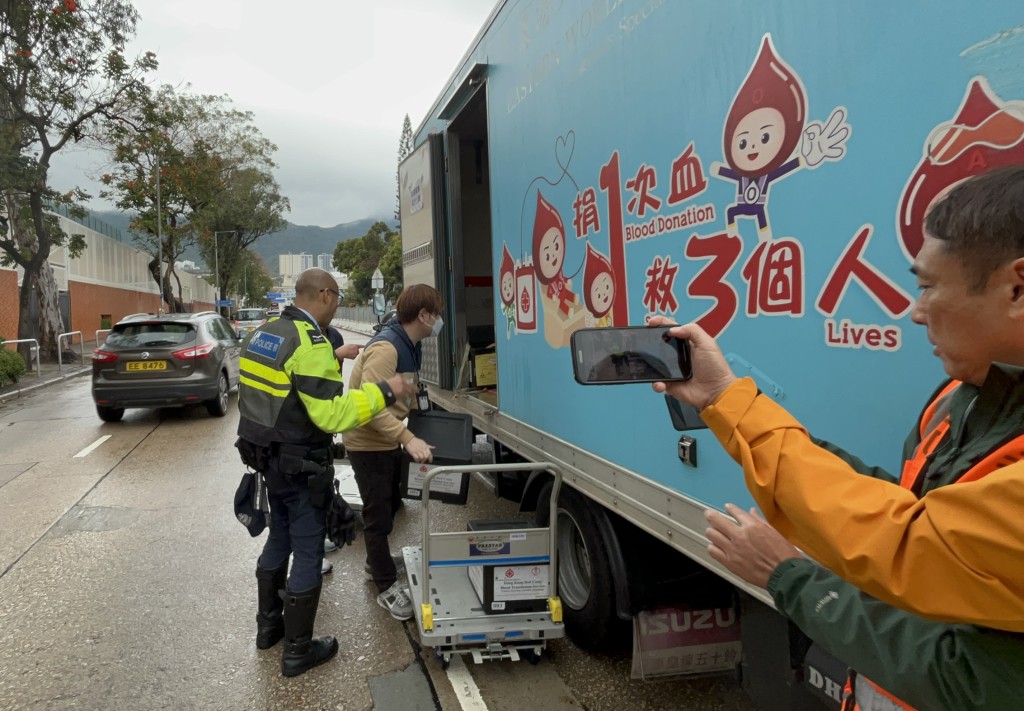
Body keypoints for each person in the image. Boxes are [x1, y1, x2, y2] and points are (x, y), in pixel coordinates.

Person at [650, 165, 1024, 708]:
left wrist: (790, 577)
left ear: (1017, 287)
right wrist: (724, 399)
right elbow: (902, 507)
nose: (914, 312)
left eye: (926, 286)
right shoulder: (963, 398)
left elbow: (910, 545)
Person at [236, 268, 410, 678]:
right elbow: (332, 414)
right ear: (327, 295)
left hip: (267, 461)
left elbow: (281, 387)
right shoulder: (310, 342)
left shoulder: (264, 332)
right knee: (309, 549)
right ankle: (298, 650)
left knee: (279, 537)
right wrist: (387, 391)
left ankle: (268, 628)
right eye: (338, 297)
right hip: (300, 466)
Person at [342, 284, 440, 621]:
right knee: (378, 512)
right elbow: (371, 406)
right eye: (436, 314)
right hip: (367, 441)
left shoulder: (411, 345)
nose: (438, 321)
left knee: (392, 503)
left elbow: (404, 394)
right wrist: (407, 438)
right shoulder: (387, 349)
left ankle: (376, 557)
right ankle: (383, 582)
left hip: (386, 440)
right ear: (424, 315)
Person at [319, 326, 362, 570]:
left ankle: (319, 536)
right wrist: (337, 354)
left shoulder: (334, 335)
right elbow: (308, 373)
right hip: (305, 425)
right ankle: (310, 555)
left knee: (324, 482)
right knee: (304, 497)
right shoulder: (299, 335)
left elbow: (331, 380)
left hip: (325, 418)